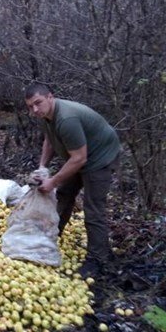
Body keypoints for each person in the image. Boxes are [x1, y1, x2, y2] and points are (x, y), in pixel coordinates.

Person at [24, 83, 121, 265]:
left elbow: (79, 159)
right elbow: (50, 140)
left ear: (50, 97)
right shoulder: (46, 115)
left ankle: (98, 259)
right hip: (79, 155)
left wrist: (52, 181)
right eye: (30, 106)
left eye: (38, 103)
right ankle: (51, 236)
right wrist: (42, 167)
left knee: (93, 209)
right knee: (64, 194)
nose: (35, 109)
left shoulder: (66, 118)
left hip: (100, 157)